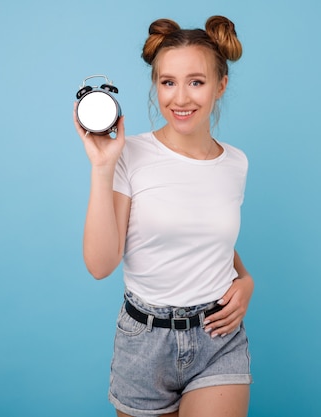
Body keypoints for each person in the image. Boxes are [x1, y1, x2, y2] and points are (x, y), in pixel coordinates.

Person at [74, 15, 254, 417]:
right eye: (168, 82)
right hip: (144, 341)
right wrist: (102, 167)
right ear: (156, 87)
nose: (180, 98)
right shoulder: (129, 156)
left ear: (220, 85)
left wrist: (245, 279)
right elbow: (101, 265)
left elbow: (212, 237)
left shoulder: (236, 163)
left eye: (196, 81)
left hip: (217, 336)